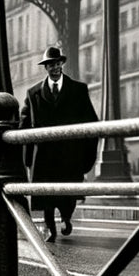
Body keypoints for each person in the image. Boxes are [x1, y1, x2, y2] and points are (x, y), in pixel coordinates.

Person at [19, 45, 100, 242]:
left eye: (56, 64)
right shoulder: (33, 93)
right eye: (50, 65)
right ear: (45, 68)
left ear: (62, 64)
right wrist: (27, 155)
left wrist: (87, 155)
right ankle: (49, 226)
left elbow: (91, 121)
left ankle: (66, 217)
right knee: (46, 191)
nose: (54, 68)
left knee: (68, 190)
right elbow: (24, 124)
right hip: (44, 153)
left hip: (70, 152)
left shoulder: (78, 89)